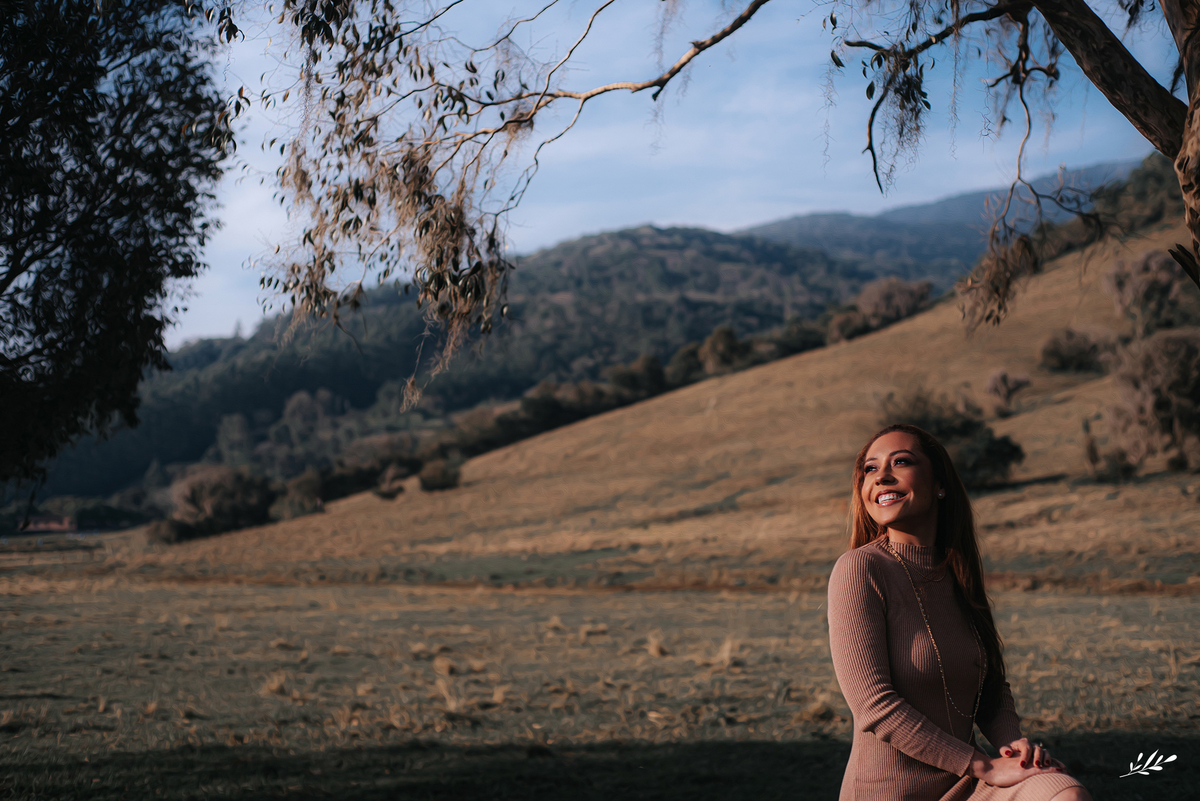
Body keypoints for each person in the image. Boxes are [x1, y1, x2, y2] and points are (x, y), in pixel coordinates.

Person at [826, 424, 1092, 801]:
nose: (882, 475)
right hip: (891, 792)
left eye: (900, 462)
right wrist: (984, 765)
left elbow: (990, 688)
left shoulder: (958, 573)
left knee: (1063, 792)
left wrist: (1014, 749)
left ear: (940, 485)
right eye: (870, 469)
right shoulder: (859, 569)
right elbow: (874, 706)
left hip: (970, 784)